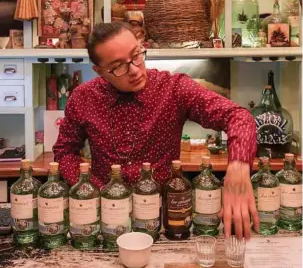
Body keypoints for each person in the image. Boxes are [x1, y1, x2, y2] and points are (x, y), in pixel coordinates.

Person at [53, 22, 259, 239]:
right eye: (118, 67)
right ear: (100, 71)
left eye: (136, 55)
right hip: (105, 218)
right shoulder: (84, 98)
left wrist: (238, 166)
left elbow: (239, 117)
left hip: (164, 221)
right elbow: (64, 151)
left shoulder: (174, 88)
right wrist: (91, 187)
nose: (134, 70)